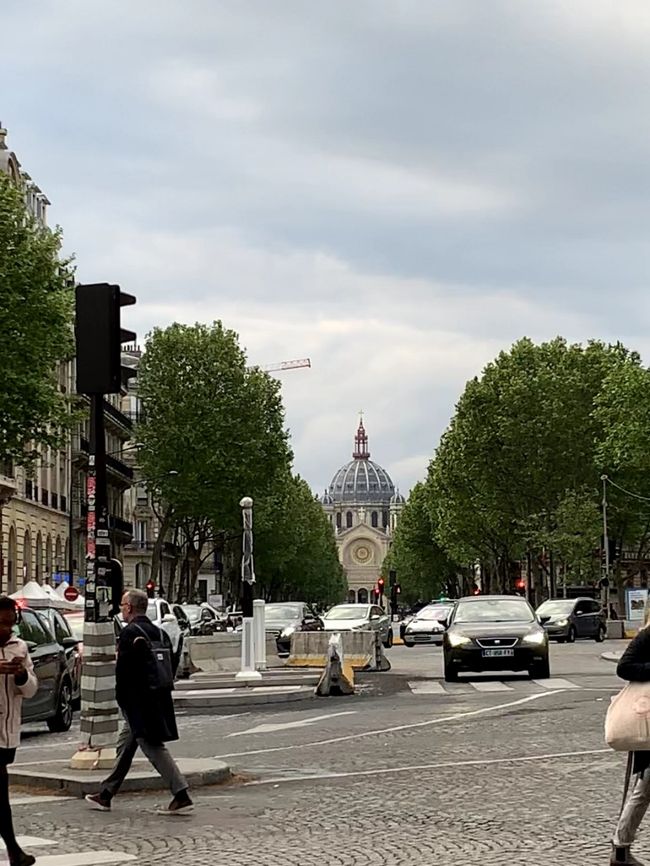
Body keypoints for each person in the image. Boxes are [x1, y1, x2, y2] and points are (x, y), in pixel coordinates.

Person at [85, 589, 193, 815]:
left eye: (123, 605)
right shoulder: (160, 632)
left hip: (138, 702)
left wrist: (122, 700)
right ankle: (106, 794)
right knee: (126, 745)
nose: (121, 609)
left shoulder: (129, 633)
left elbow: (123, 672)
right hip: (158, 696)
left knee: (153, 747)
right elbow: (170, 666)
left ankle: (181, 792)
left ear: (130, 608)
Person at [0, 596, 38, 866]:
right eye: (2, 623)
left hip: (6, 732)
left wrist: (21, 675)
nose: (7, 629)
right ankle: (14, 851)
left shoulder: (19, 647)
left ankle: (14, 852)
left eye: (11, 624)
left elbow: (30, 689)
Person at [611, 604, 650, 864]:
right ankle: (620, 848)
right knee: (645, 788)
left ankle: (621, 849)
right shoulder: (649, 635)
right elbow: (625, 667)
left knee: (645, 789)